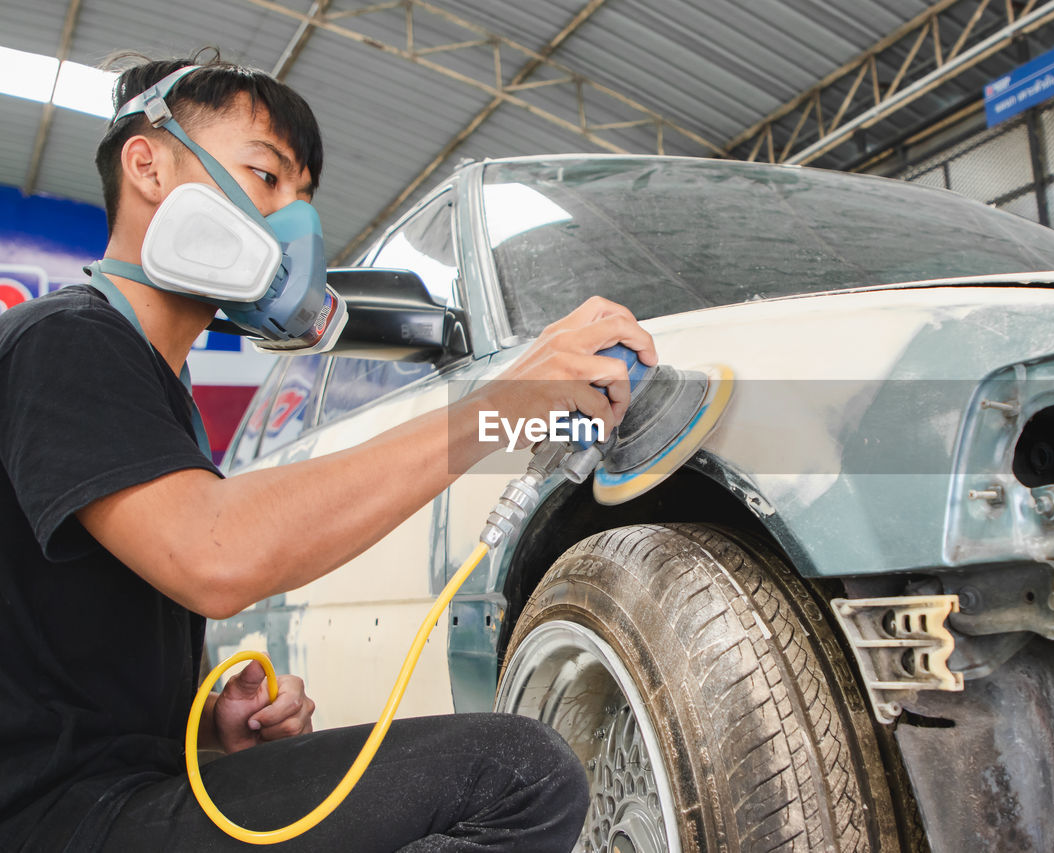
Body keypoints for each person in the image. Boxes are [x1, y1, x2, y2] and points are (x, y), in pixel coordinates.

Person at [0, 50, 656, 852]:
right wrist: (503, 406)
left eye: (305, 197)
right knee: (519, 774)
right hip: (51, 819)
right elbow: (217, 553)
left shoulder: (150, 387)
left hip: (110, 795)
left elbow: (54, 675)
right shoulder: (65, 341)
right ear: (148, 165)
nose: (293, 223)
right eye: (266, 176)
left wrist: (212, 729)